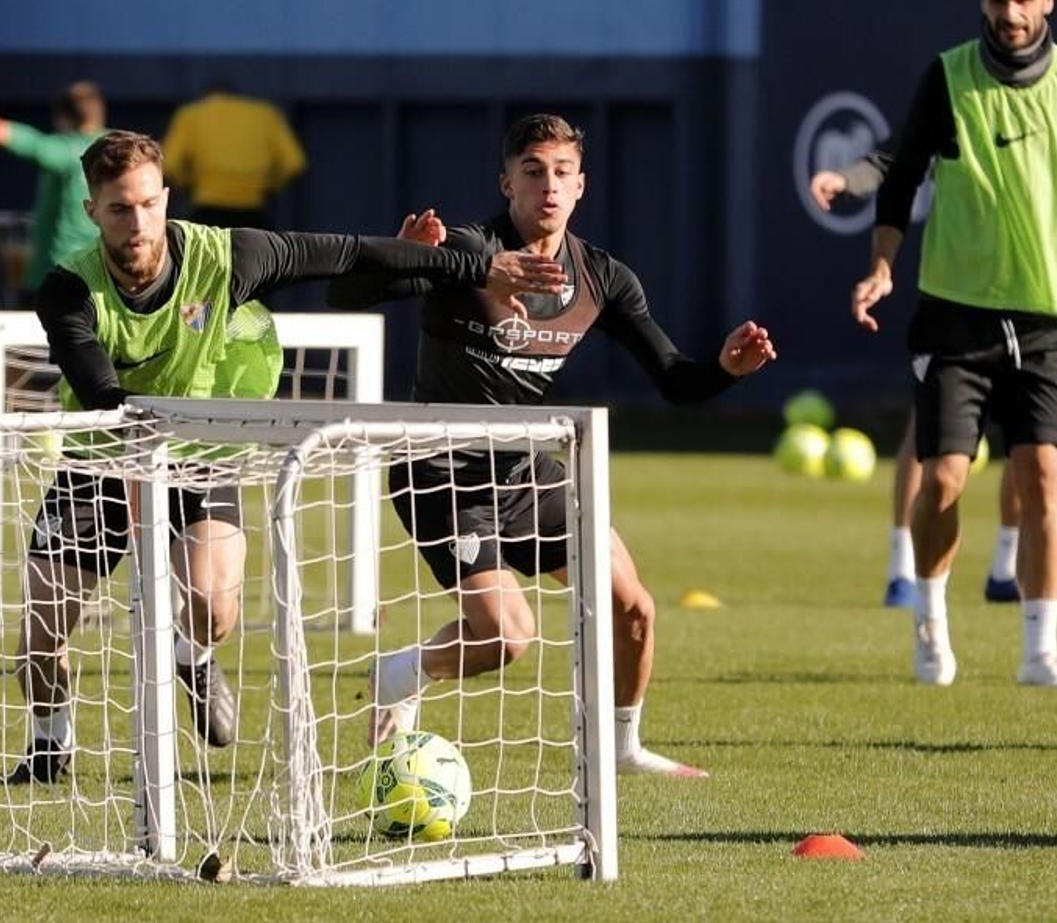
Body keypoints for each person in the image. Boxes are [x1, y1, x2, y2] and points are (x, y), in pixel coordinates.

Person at [8, 130, 567, 783]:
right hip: (100, 459)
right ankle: (50, 740)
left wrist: (464, 265)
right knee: (42, 637)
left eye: (147, 204)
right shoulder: (68, 290)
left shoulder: (226, 255)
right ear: (91, 213)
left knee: (216, 607)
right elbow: (102, 390)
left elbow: (341, 252)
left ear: (166, 197)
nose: (137, 223)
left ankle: (191, 653)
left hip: (195, 450)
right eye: (118, 210)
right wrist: (133, 469)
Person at [327, 114, 776, 778]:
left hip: (526, 471)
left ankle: (621, 747)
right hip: (441, 474)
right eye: (533, 171)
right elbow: (346, 294)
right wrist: (402, 253)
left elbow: (676, 380)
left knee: (634, 607)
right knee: (508, 639)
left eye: (563, 173)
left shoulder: (602, 277)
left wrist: (725, 370)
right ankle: (404, 670)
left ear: (582, 186)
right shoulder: (466, 249)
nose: (549, 186)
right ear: (506, 182)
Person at [852, 0, 1057, 690]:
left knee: (1043, 478)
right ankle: (929, 620)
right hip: (957, 316)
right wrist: (882, 264)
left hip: (1047, 321)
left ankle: (1040, 652)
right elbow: (900, 177)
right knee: (947, 478)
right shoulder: (949, 75)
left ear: (1048, 3)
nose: (1010, 11)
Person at [813, 148, 1057, 608]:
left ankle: (1003, 569)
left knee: (1030, 444)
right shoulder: (961, 88)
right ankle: (902, 572)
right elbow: (896, 154)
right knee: (929, 444)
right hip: (962, 301)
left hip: (1034, 308)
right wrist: (848, 179)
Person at [0, 81, 108, 301]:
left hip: (57, 277)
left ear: (63, 118)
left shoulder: (65, 150)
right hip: (100, 278)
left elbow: (34, 145)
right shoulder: (112, 151)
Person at [162, 81, 307, 229]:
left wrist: (188, 185)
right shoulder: (266, 115)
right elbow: (294, 162)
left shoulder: (191, 114)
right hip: (252, 211)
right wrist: (270, 186)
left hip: (207, 209)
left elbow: (170, 164)